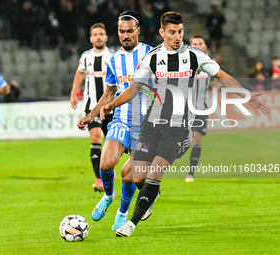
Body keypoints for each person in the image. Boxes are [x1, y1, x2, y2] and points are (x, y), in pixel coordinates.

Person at [100, 12, 269, 237]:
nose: (177, 36)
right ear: (162, 33)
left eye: (180, 31)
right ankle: (151, 195)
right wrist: (112, 104)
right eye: (172, 32)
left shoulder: (194, 55)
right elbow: (134, 89)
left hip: (178, 129)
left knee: (156, 170)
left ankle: (130, 224)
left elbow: (221, 75)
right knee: (137, 177)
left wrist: (246, 96)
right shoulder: (151, 58)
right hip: (151, 125)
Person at [77, 10, 152, 230]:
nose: (126, 35)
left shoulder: (150, 54)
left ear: (138, 30)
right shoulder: (114, 59)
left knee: (129, 176)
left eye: (130, 31)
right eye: (122, 31)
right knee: (106, 162)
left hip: (146, 123)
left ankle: (123, 211)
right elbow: (109, 92)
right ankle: (108, 196)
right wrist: (90, 115)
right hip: (121, 118)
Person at [70, 23, 114, 192]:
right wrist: (74, 92)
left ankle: (108, 169)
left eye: (100, 34)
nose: (98, 37)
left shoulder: (112, 56)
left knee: (111, 142)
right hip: (91, 107)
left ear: (106, 37)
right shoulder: (86, 56)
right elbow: (80, 73)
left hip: (110, 107)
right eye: (95, 34)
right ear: (90, 38)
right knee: (95, 137)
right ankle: (99, 179)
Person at [185, 35, 212, 183]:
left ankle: (191, 173)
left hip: (201, 109)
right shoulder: (184, 64)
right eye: (194, 44)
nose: (197, 46)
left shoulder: (210, 65)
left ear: (205, 46)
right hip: (184, 109)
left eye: (200, 43)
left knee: (196, 138)